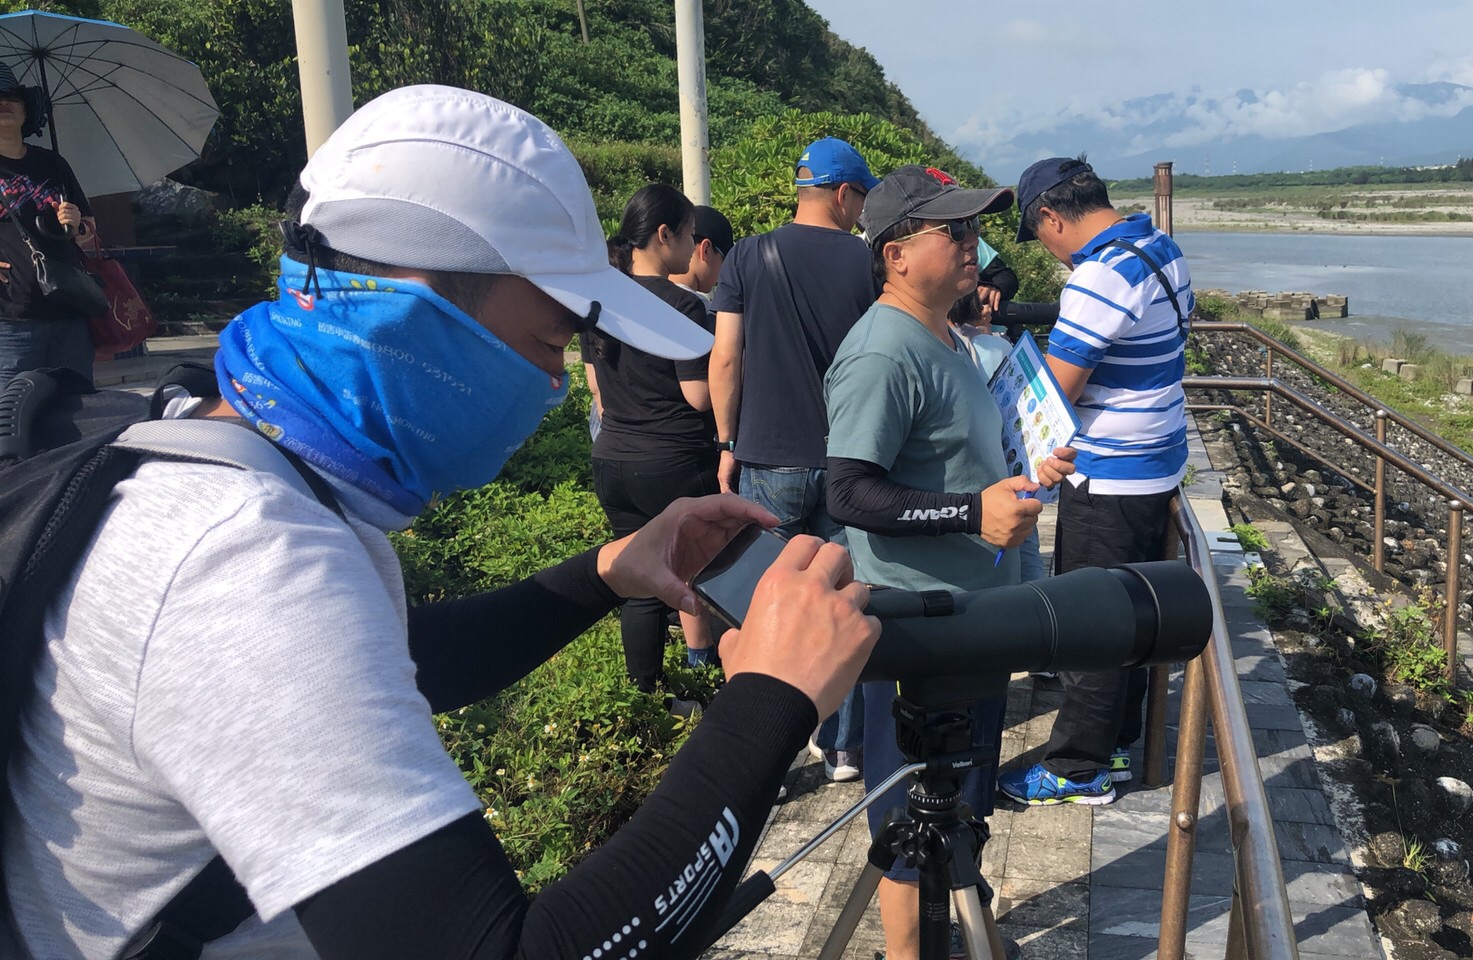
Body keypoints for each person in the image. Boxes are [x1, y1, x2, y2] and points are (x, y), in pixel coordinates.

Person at [1, 85, 880, 959]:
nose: (552, 386)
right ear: (417, 309)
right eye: (549, 342)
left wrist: (608, 571)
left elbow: (390, 660)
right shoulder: (243, 562)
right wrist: (771, 699)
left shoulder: (212, 445)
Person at [824, 165, 1075, 960]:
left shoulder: (944, 334)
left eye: (975, 228)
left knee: (959, 804)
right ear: (895, 254)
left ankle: (958, 931)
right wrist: (971, 513)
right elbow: (849, 491)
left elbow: (955, 461)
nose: (974, 245)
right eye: (954, 231)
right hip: (920, 626)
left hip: (971, 616)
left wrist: (1024, 470)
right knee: (908, 814)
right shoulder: (881, 352)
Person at [997, 156, 1193, 806]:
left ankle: (1077, 768)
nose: (1047, 250)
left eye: (1038, 235)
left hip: (1110, 475)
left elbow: (1060, 389)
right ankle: (1115, 743)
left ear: (1051, 217)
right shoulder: (1159, 248)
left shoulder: (1099, 276)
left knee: (1093, 621)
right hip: (1157, 463)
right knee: (1133, 612)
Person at [709, 136, 879, 782]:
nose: (860, 212)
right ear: (844, 194)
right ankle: (844, 745)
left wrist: (726, 442)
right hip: (849, 461)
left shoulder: (747, 255)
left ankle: (768, 753)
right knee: (846, 597)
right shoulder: (868, 261)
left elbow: (726, 358)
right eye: (860, 199)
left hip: (767, 458)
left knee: (766, 604)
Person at [585, 184, 721, 691]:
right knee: (700, 572)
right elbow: (698, 397)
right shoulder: (682, 304)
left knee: (640, 587)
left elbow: (597, 388)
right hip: (673, 463)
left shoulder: (600, 298)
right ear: (663, 235)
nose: (692, 246)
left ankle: (644, 697)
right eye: (688, 235)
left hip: (613, 460)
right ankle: (704, 679)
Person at [0, 63, 97, 383]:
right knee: (13, 407)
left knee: (78, 402)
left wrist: (76, 224)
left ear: (27, 110)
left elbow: (88, 231)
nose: (4, 103)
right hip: (10, 320)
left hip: (69, 310)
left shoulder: (53, 163)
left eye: (12, 97)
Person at [670, 203, 734, 300]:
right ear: (705, 250)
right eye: (726, 261)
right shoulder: (697, 306)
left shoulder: (648, 295)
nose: (725, 272)